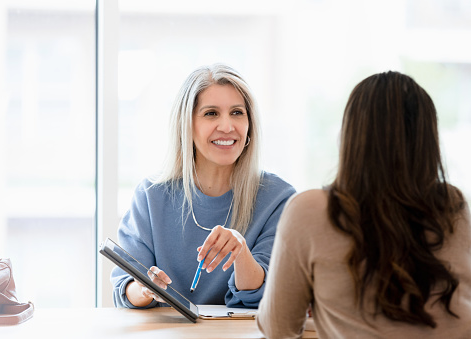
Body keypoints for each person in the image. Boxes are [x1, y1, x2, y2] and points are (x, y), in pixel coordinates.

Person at [257, 71, 471, 338]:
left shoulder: (310, 210)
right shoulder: (452, 205)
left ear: (350, 136)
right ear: (428, 141)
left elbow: (278, 328)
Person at [111, 63, 296, 309]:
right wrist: (145, 287)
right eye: (211, 113)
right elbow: (124, 290)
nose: (227, 126)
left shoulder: (278, 199)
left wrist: (241, 253)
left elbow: (265, 295)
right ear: (187, 125)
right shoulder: (150, 196)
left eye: (237, 113)